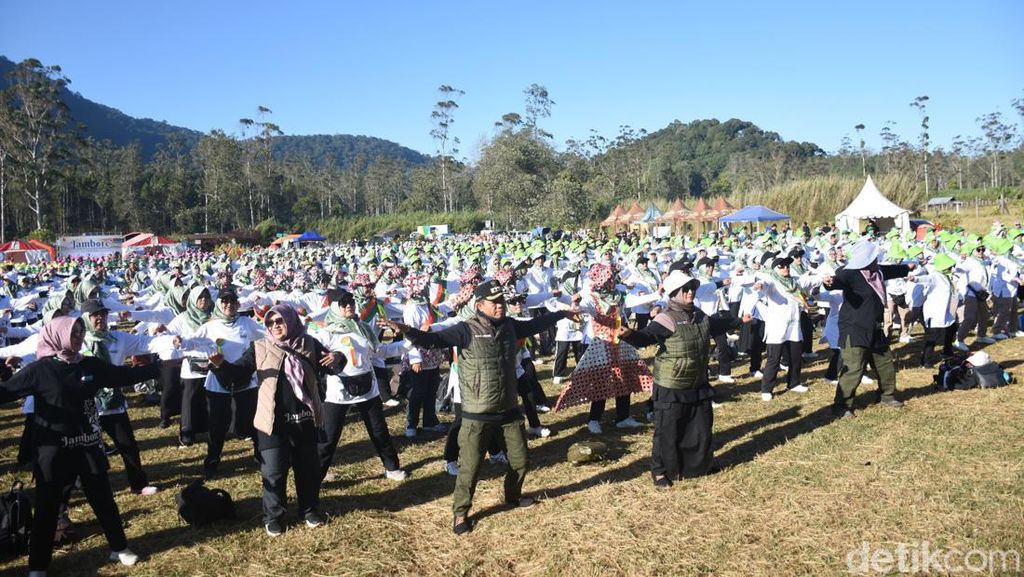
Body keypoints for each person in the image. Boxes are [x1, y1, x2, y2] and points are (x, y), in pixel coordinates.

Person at [379, 280, 578, 535]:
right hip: (477, 412)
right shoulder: (466, 330)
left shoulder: (509, 326)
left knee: (520, 460)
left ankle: (513, 497)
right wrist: (405, 329)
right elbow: (433, 340)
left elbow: (535, 324)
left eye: (502, 302)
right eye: (494, 303)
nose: (500, 307)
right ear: (480, 305)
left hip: (508, 408)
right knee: (470, 467)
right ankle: (461, 513)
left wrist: (562, 313)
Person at [0, 316, 176, 576]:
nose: (79, 337)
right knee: (48, 507)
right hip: (53, 450)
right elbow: (6, 392)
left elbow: (121, 375)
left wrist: (160, 366)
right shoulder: (41, 370)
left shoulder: (89, 365)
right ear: (57, 335)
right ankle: (38, 565)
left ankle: (119, 547)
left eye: (81, 332)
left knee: (103, 499)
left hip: (87, 445)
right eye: (74, 333)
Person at [209, 304, 344, 536]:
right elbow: (237, 375)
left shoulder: (308, 343)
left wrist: (338, 357)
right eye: (270, 323)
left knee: (308, 470)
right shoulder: (260, 347)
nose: (275, 326)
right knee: (273, 472)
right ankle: (273, 516)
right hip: (272, 422)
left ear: (291, 321)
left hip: (305, 419)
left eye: (280, 321)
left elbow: (333, 366)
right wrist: (220, 366)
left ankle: (309, 510)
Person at [619, 271, 746, 486]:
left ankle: (698, 466)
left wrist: (739, 320)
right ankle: (661, 471)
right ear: (674, 293)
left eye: (692, 288)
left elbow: (716, 325)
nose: (690, 292)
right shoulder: (665, 318)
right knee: (667, 430)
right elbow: (645, 338)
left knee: (701, 427)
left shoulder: (699, 315)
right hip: (672, 384)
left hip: (697, 381)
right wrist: (629, 334)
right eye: (685, 289)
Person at [311, 289, 408, 483]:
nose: (349, 306)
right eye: (344, 303)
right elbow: (313, 355)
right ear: (334, 307)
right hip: (338, 391)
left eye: (351, 302)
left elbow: (379, 352)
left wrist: (408, 343)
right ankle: (315, 476)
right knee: (328, 437)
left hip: (367, 388)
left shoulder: (363, 328)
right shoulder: (325, 333)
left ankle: (392, 467)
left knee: (379, 430)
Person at [824, 239, 913, 417]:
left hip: (875, 327)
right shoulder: (850, 273)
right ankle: (841, 405)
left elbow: (892, 270)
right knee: (854, 366)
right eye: (873, 256)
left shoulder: (877, 271)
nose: (876, 259)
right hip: (854, 328)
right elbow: (837, 281)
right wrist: (829, 283)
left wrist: (908, 267)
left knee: (885, 363)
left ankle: (886, 395)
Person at [183, 288, 265, 479]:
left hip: (246, 381)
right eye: (224, 301)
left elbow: (266, 334)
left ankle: (259, 454)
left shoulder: (245, 322)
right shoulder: (210, 325)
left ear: (238, 304)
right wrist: (178, 341)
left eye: (232, 301)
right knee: (217, 425)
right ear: (218, 304)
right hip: (218, 383)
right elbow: (192, 342)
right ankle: (212, 461)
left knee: (252, 420)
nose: (229, 305)